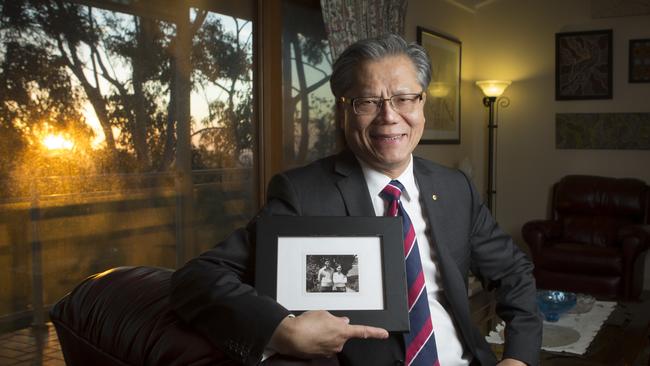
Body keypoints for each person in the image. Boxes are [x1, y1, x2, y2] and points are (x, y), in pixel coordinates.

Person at [171, 33, 542, 366]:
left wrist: (518, 359)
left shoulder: (454, 187)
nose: (389, 117)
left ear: (422, 102)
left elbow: (513, 272)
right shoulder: (304, 194)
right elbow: (197, 279)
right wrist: (282, 330)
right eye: (367, 102)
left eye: (404, 98)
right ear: (344, 109)